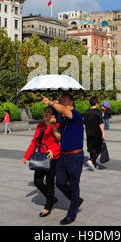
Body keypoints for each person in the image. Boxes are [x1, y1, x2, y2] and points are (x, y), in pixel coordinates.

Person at [41, 94, 84, 225]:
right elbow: (59, 138)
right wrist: (54, 125)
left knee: (74, 184)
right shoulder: (64, 120)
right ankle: (75, 199)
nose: (61, 103)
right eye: (60, 101)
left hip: (75, 156)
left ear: (71, 102)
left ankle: (72, 214)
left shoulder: (75, 115)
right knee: (59, 182)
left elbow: (65, 110)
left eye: (63, 101)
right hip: (63, 155)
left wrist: (51, 103)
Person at [22, 106, 61, 217]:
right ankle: (51, 198)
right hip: (40, 157)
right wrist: (27, 156)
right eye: (45, 112)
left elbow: (60, 142)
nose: (46, 114)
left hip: (51, 157)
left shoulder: (57, 126)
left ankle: (48, 206)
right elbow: (34, 142)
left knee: (49, 182)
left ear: (53, 115)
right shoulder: (40, 126)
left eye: (49, 112)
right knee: (37, 181)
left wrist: (53, 150)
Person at [83, 97, 106, 171]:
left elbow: (84, 124)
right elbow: (100, 123)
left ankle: (94, 165)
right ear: (96, 103)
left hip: (89, 133)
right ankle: (91, 161)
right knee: (99, 148)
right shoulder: (98, 112)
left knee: (91, 149)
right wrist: (103, 133)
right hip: (97, 133)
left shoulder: (86, 112)